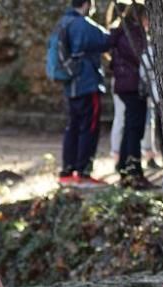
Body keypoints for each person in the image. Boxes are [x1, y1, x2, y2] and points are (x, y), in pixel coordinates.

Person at [55, 0, 110, 188]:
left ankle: (67, 171)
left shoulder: (63, 22)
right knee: (90, 127)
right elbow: (106, 40)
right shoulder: (84, 25)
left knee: (73, 126)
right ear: (87, 4)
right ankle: (84, 172)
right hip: (87, 83)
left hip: (71, 85)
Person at [109, 3, 153, 189]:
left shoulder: (122, 32)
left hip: (126, 84)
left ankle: (125, 167)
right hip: (133, 85)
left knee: (130, 126)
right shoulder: (132, 33)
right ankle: (133, 170)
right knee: (135, 128)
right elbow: (139, 55)